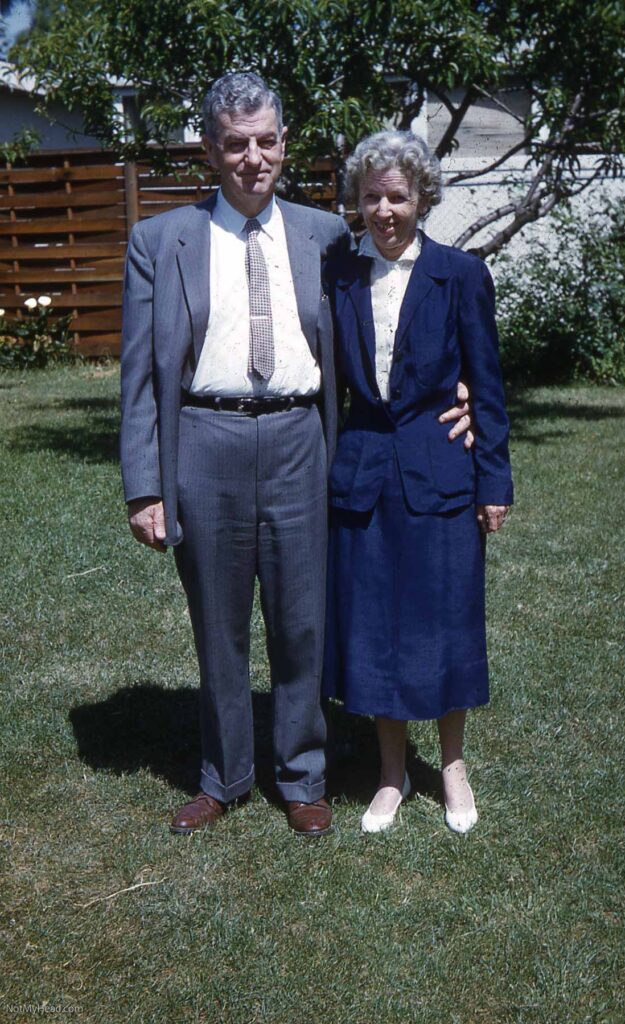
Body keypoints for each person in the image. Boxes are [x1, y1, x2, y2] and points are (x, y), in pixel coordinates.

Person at [120, 72, 475, 837]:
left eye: (268, 141)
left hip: (301, 444)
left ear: (285, 144)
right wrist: (144, 486)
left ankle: (303, 774)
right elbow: (140, 375)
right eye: (237, 144)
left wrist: (462, 391)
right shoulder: (160, 241)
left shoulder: (327, 237)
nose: (254, 158)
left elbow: (393, 314)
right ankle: (222, 776)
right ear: (210, 149)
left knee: (302, 620)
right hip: (204, 442)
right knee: (217, 622)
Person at [323, 130, 513, 835]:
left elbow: (486, 388)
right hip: (364, 475)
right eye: (371, 197)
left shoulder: (460, 275)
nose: (384, 210)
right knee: (373, 626)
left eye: (397, 196)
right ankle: (391, 773)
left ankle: (454, 766)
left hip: (441, 473)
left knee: (447, 619)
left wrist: (494, 480)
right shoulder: (339, 273)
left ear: (423, 197)